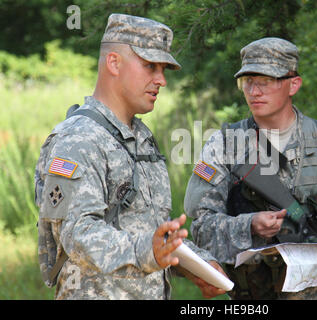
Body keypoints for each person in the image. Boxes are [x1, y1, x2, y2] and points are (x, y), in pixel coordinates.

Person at [35, 13, 226, 300]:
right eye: (150, 66)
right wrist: (148, 251)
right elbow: (77, 234)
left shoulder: (141, 138)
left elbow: (146, 230)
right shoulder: (79, 139)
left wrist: (196, 265)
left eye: (163, 69)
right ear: (114, 62)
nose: (161, 80)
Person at [184, 37, 317, 299]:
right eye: (247, 81)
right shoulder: (224, 147)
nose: (254, 91)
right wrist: (250, 226)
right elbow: (201, 230)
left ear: (293, 84)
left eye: (265, 81)